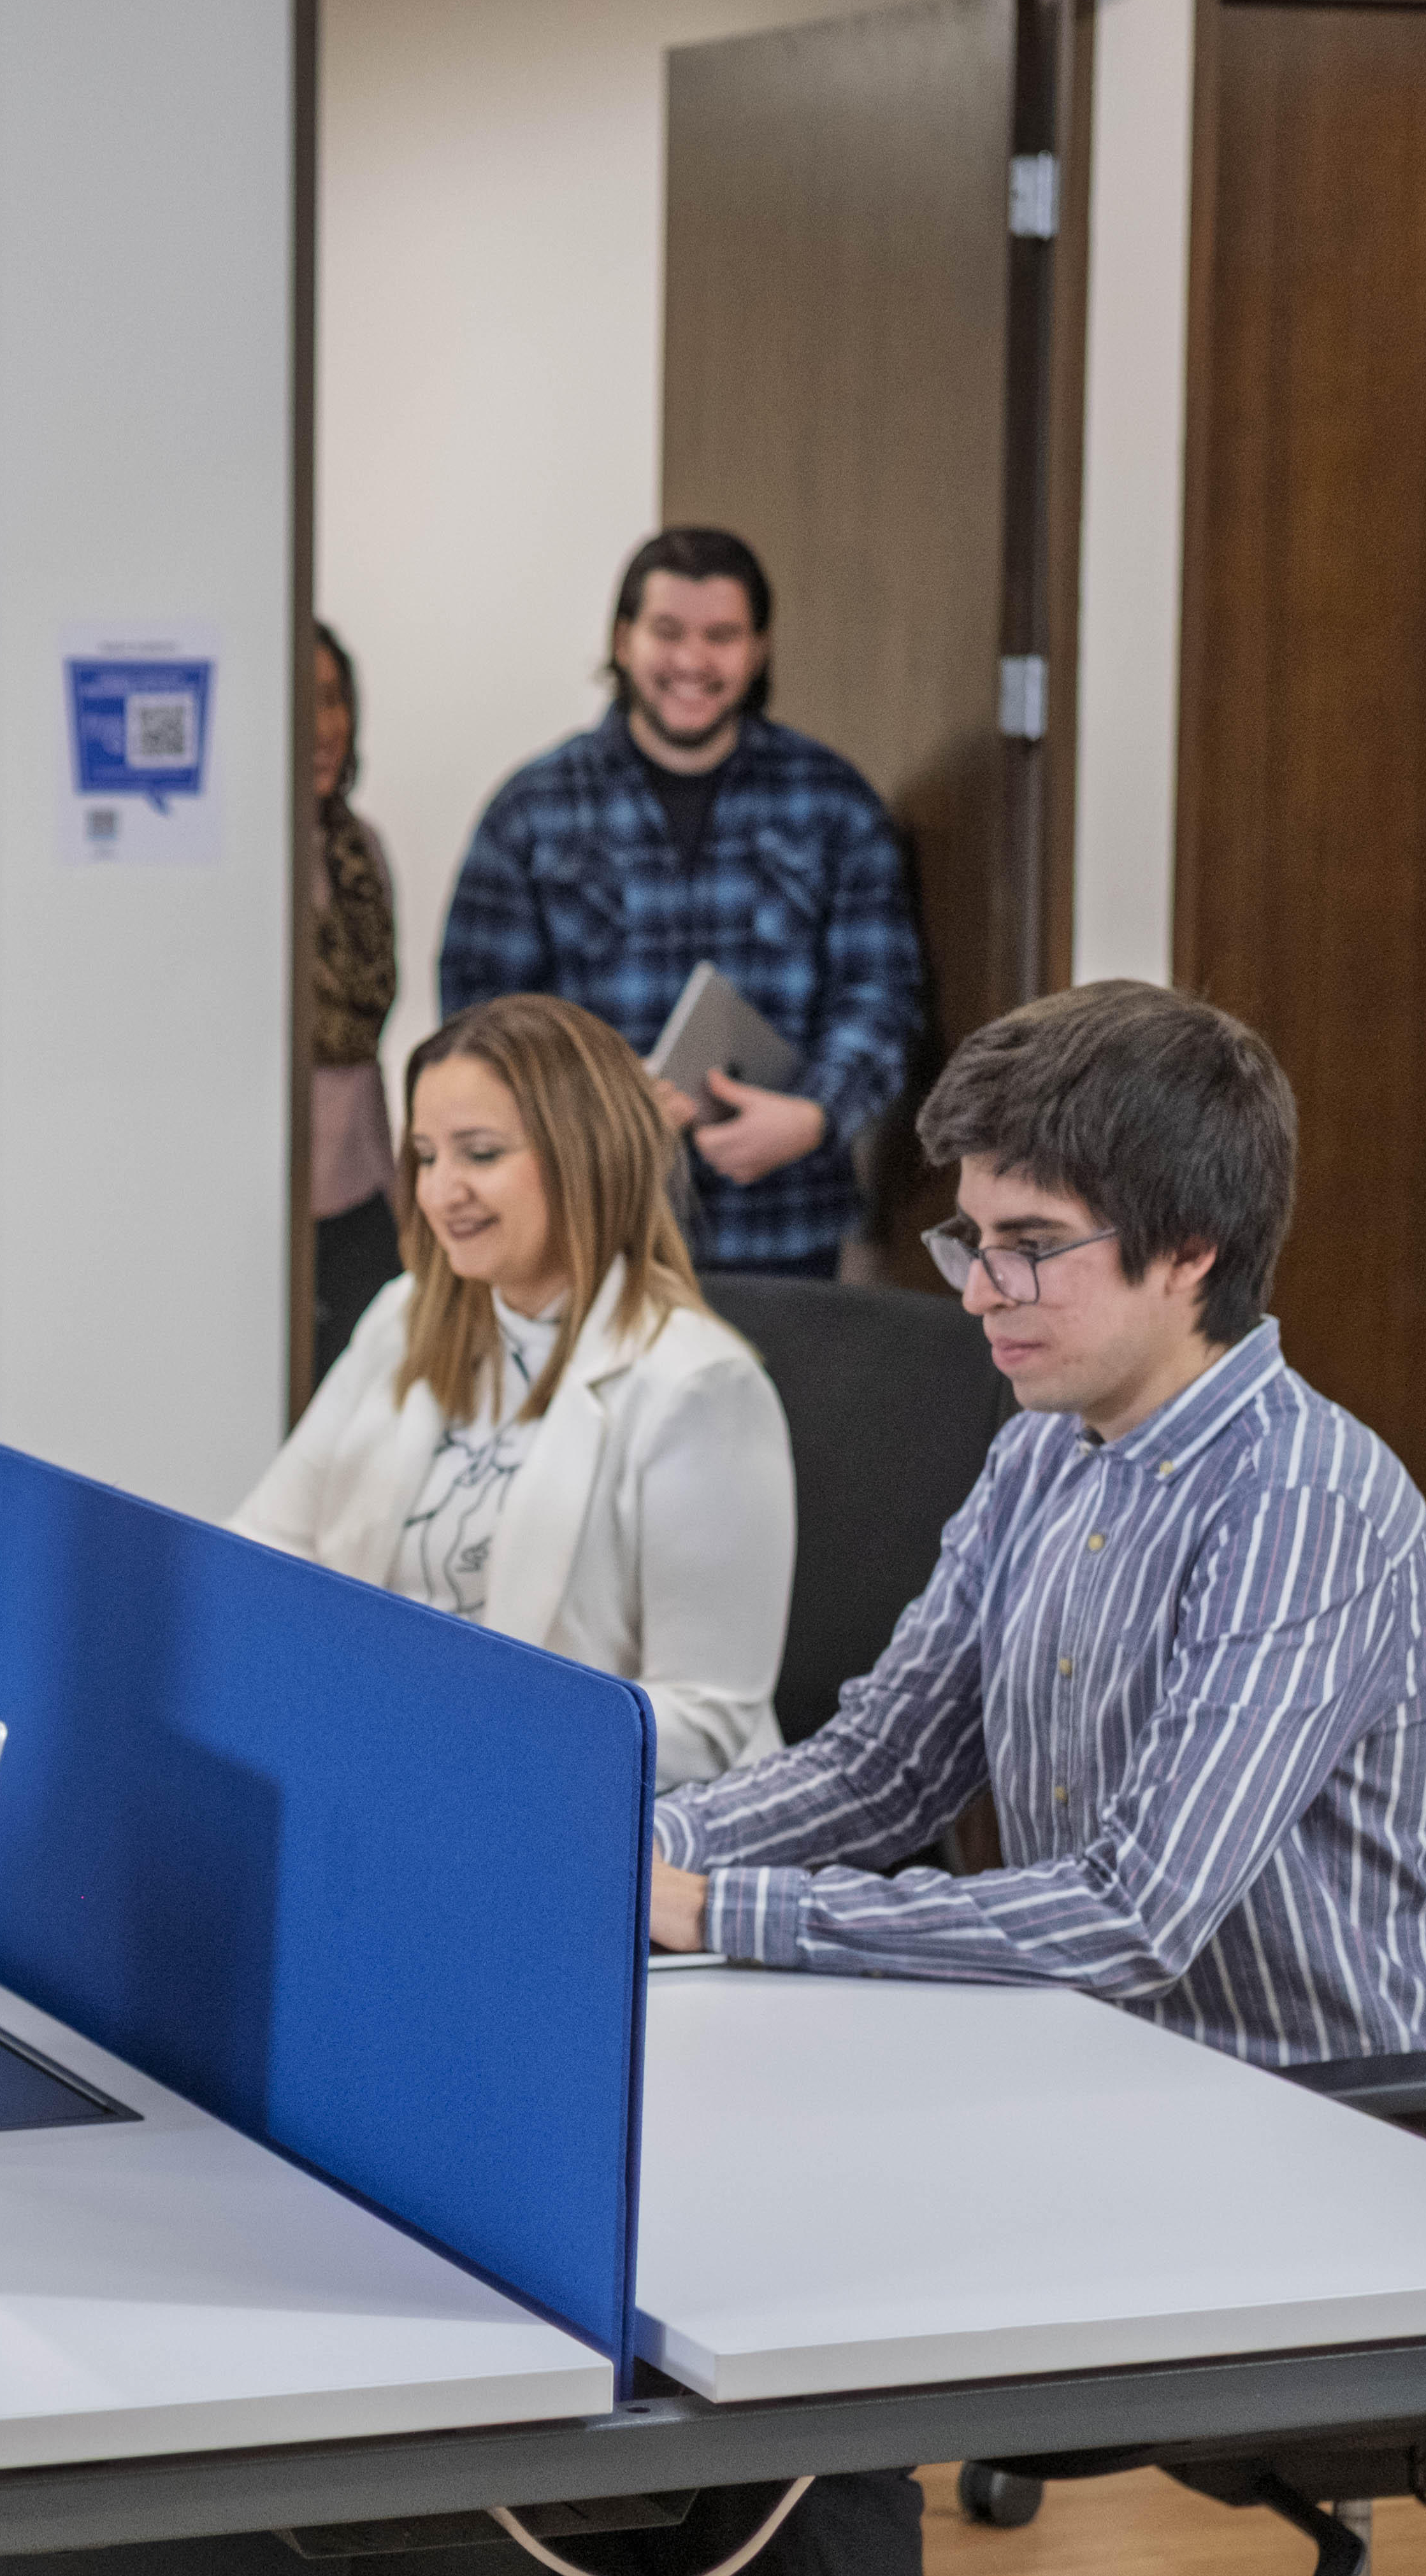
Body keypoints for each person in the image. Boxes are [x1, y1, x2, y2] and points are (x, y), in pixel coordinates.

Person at [430, 982, 1426, 2576]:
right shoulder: (1040, 1455)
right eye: (966, 1243)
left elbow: (1135, 1909)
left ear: (1186, 1253)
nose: (977, 1292)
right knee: (608, 2198)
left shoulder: (1296, 1502)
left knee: (807, 2322)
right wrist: (610, 1852)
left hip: (1316, 2142)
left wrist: (718, 1915)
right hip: (1103, 2085)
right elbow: (876, 1766)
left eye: (1027, 1250)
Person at [234, 991, 791, 1786]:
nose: (441, 1192)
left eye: (481, 1154)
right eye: (427, 1156)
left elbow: (707, 1720)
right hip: (401, 1768)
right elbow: (269, 1548)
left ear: (585, 1155)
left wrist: (448, 1730)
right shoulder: (404, 1316)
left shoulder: (698, 1386)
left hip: (593, 1810)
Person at [436, 528, 933, 1282]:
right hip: (594, 1217)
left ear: (759, 650)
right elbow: (481, 1016)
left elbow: (883, 994)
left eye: (722, 636)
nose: (693, 661)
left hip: (783, 1226)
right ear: (623, 640)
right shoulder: (533, 810)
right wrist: (593, 1106)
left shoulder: (833, 802)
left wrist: (816, 1115)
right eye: (668, 632)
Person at [303, 619, 401, 1385]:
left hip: (363, 1196)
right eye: (302, 701)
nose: (324, 726)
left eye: (334, 699)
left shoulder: (359, 848)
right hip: (271, 1207)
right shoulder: (232, 864)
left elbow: (365, 1045)